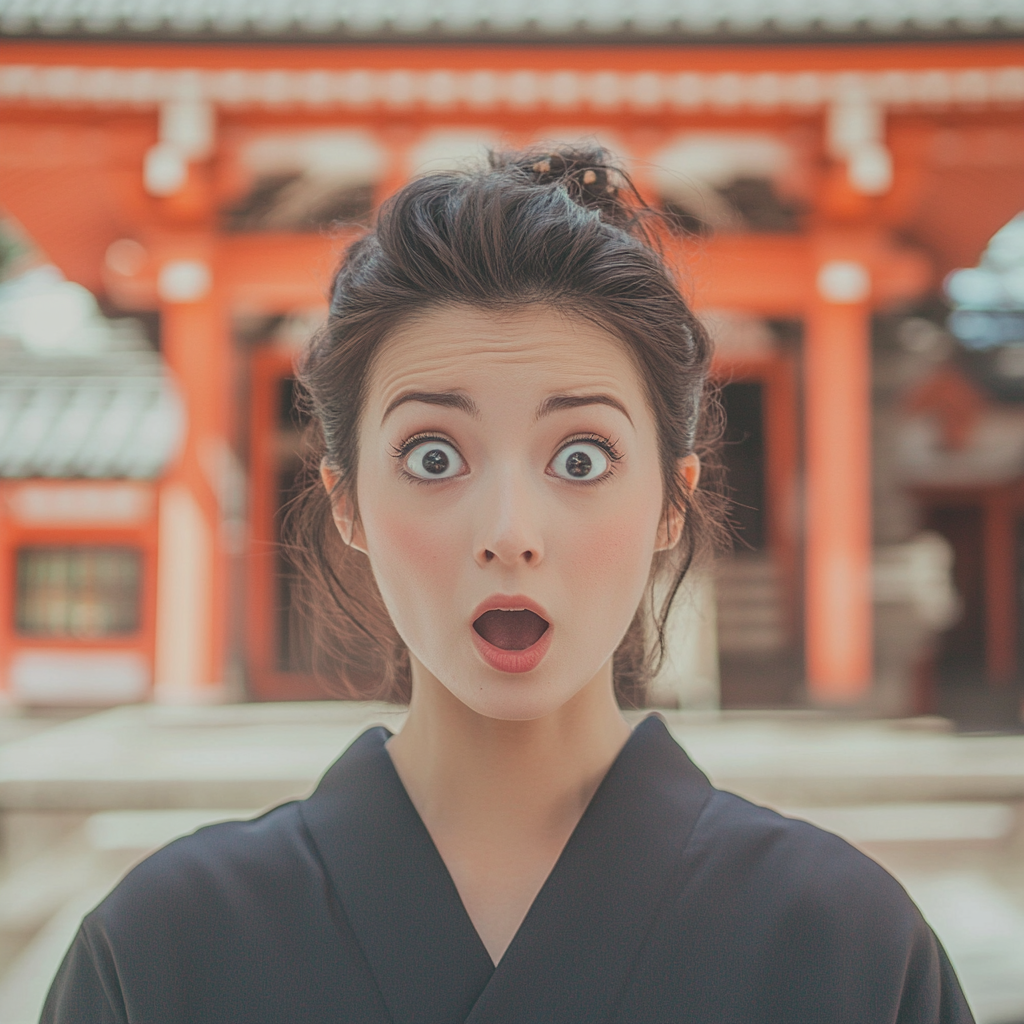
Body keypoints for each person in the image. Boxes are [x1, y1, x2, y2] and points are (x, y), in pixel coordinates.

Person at [42, 148, 973, 1024]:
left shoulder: (848, 945)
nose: (509, 537)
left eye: (580, 456)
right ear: (347, 503)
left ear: (670, 505)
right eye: (434, 455)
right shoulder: (162, 949)